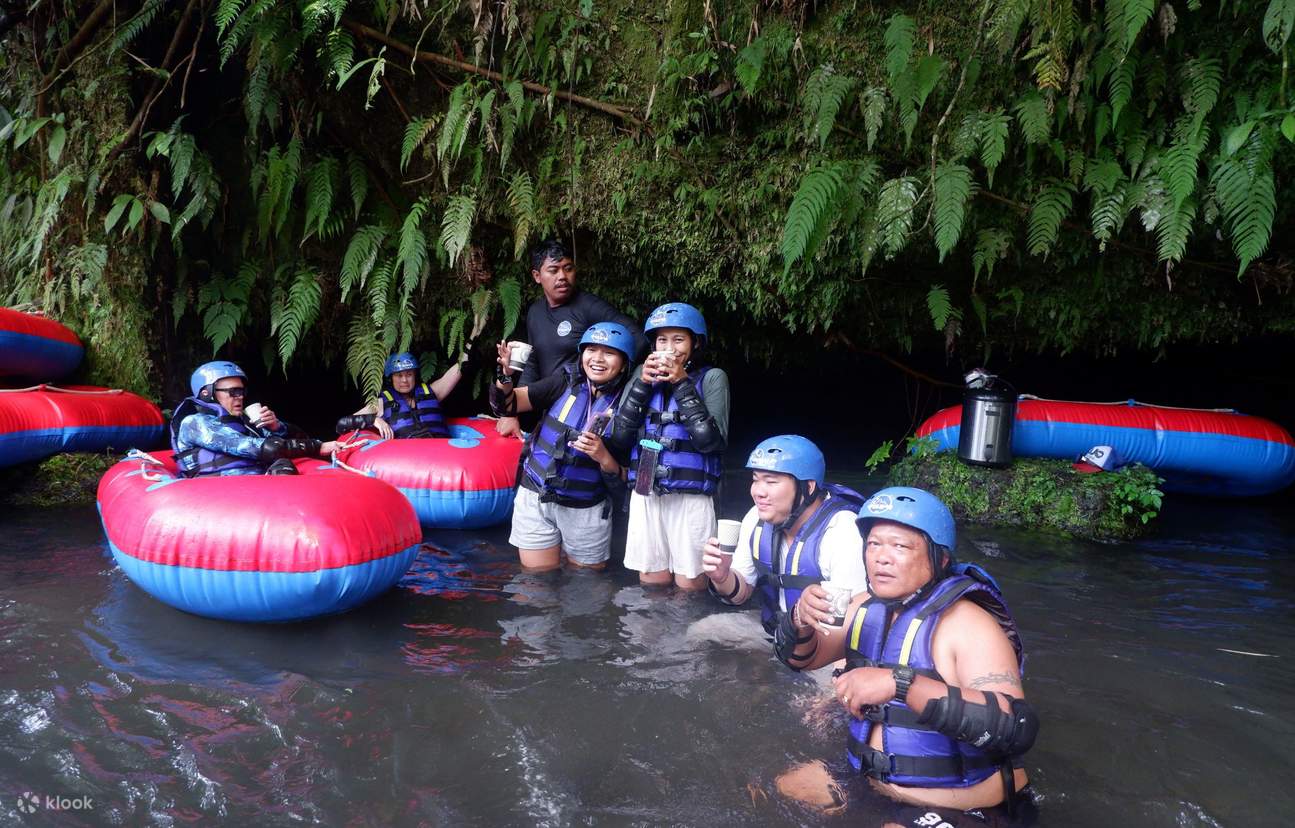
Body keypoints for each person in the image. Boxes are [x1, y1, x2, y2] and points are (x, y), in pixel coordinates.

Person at [773, 487, 1038, 821]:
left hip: (964, 804)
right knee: (777, 788)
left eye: (900, 546)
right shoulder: (862, 608)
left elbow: (1016, 727)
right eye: (874, 544)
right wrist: (800, 620)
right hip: (873, 781)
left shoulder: (969, 624)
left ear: (939, 559)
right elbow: (799, 658)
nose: (882, 557)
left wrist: (901, 685)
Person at [491, 322, 634, 571]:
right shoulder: (564, 382)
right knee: (536, 583)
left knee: (584, 589)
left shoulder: (631, 403)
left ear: (624, 363)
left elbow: (627, 474)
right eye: (591, 350)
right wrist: (505, 375)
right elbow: (508, 405)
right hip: (536, 497)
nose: (597, 359)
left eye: (609, 353)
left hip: (586, 507)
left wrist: (602, 456)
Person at [608, 302, 729, 589]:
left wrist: (681, 383)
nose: (669, 347)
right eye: (662, 339)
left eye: (678, 339)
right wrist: (641, 387)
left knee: (691, 584)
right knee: (652, 581)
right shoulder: (641, 375)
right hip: (646, 492)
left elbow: (711, 442)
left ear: (695, 342)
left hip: (692, 495)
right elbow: (620, 440)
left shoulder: (713, 378)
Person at [701, 435, 869, 632]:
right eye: (756, 480)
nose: (758, 492)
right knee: (704, 630)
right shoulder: (756, 517)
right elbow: (740, 594)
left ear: (808, 487)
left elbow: (849, 623)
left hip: (822, 642)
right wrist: (722, 577)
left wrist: (801, 652)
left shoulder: (842, 530)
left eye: (771, 481)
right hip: (777, 630)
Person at [494, 239, 644, 438]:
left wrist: (605, 384)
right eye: (554, 270)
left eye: (568, 268)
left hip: (583, 408)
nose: (562, 276)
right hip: (548, 405)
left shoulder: (588, 307)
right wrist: (514, 412)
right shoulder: (535, 312)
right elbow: (532, 362)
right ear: (537, 276)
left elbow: (638, 339)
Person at [170, 361, 338, 477]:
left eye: (242, 392)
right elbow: (254, 447)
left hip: (256, 484)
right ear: (207, 393)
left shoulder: (244, 421)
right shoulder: (194, 423)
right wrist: (317, 447)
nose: (240, 397)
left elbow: (296, 439)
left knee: (283, 466)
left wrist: (276, 427)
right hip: (217, 492)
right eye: (233, 392)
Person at [335, 349, 471, 440]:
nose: (404, 380)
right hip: (410, 462)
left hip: (445, 452)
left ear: (415, 375)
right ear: (391, 378)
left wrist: (475, 332)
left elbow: (461, 366)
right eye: (399, 376)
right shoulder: (381, 403)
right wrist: (373, 419)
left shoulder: (433, 391)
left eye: (409, 374)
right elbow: (342, 424)